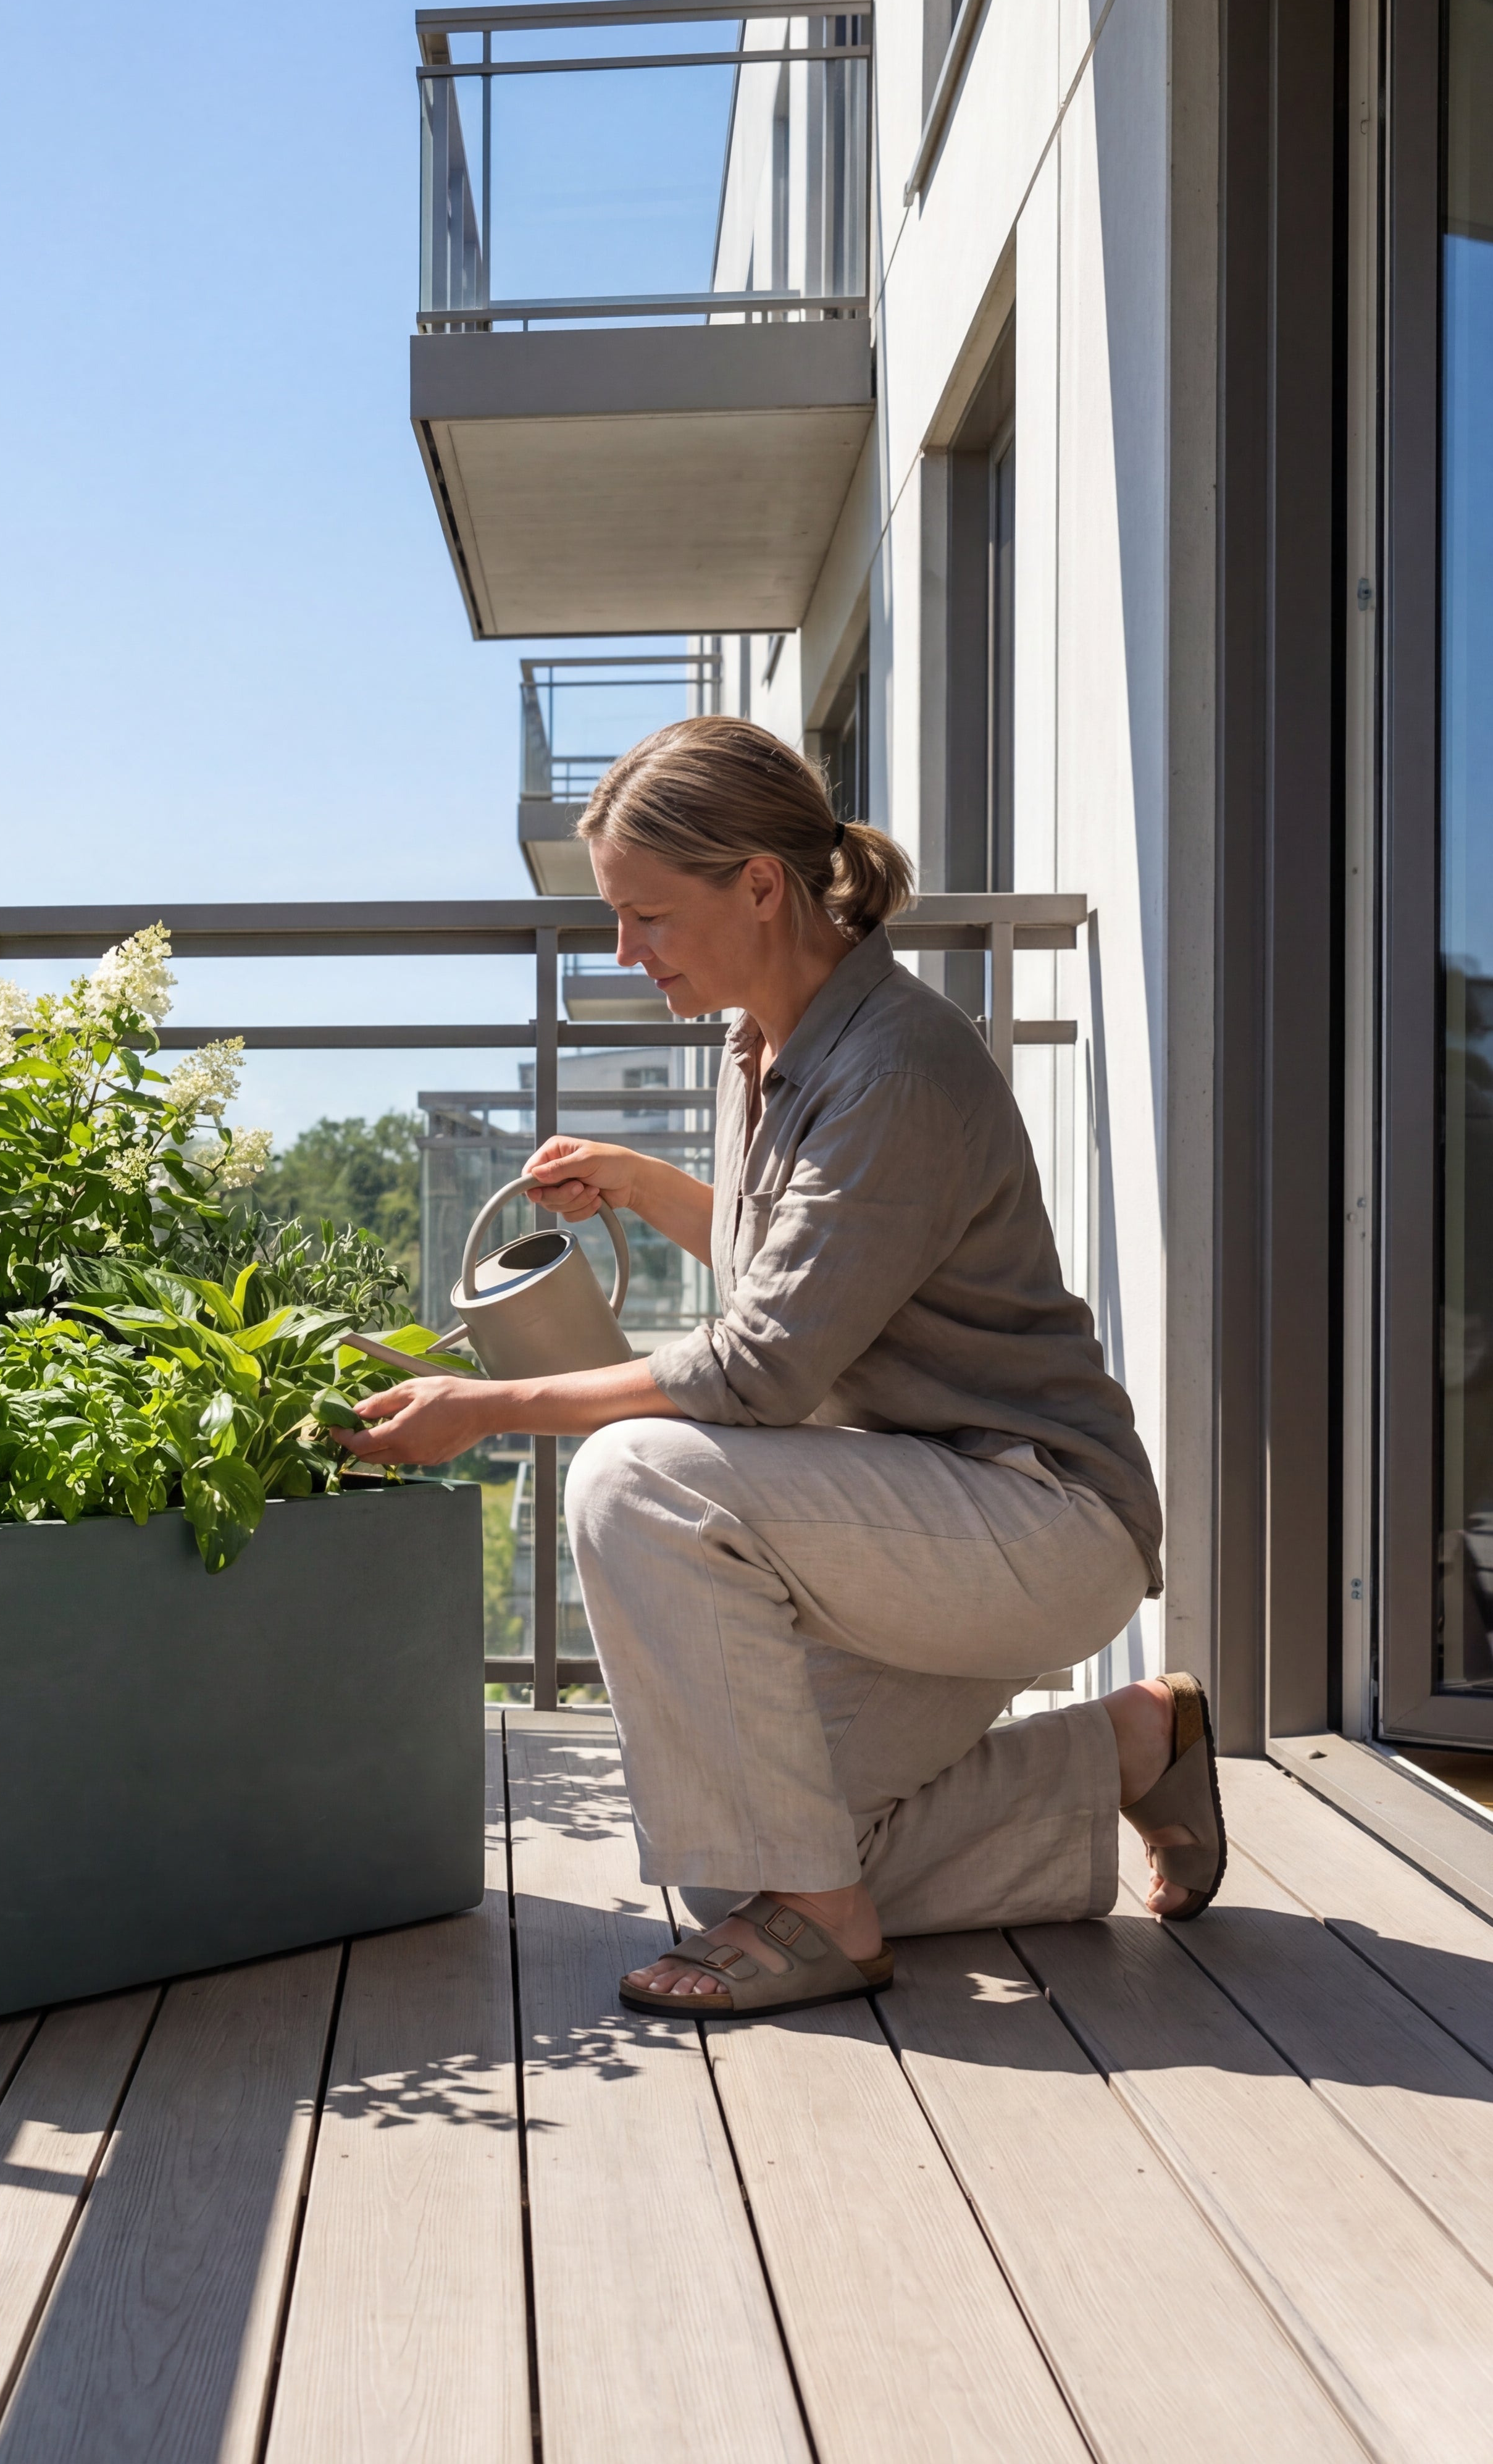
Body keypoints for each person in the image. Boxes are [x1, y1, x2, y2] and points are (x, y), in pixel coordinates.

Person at [344, 716, 1223, 2021]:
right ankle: (1134, 1743)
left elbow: (757, 1366)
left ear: (759, 884)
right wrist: (645, 1188)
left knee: (632, 1477)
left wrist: (486, 1410)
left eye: (644, 917)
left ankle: (823, 1921)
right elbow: (811, 1270)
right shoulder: (758, 1042)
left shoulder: (894, 1066)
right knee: (755, 1845)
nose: (624, 952)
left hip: (1037, 1515)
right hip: (914, 1515)